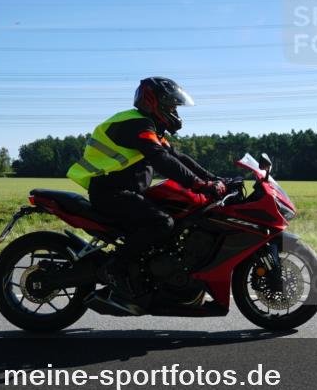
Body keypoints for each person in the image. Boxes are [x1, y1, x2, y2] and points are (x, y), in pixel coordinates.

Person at [67, 77, 225, 301]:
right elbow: (160, 158)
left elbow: (177, 157)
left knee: (176, 216)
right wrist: (199, 185)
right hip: (111, 193)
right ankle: (116, 268)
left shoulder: (151, 128)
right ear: (154, 102)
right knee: (162, 223)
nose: (175, 111)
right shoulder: (138, 124)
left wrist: (215, 179)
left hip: (126, 192)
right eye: (171, 105)